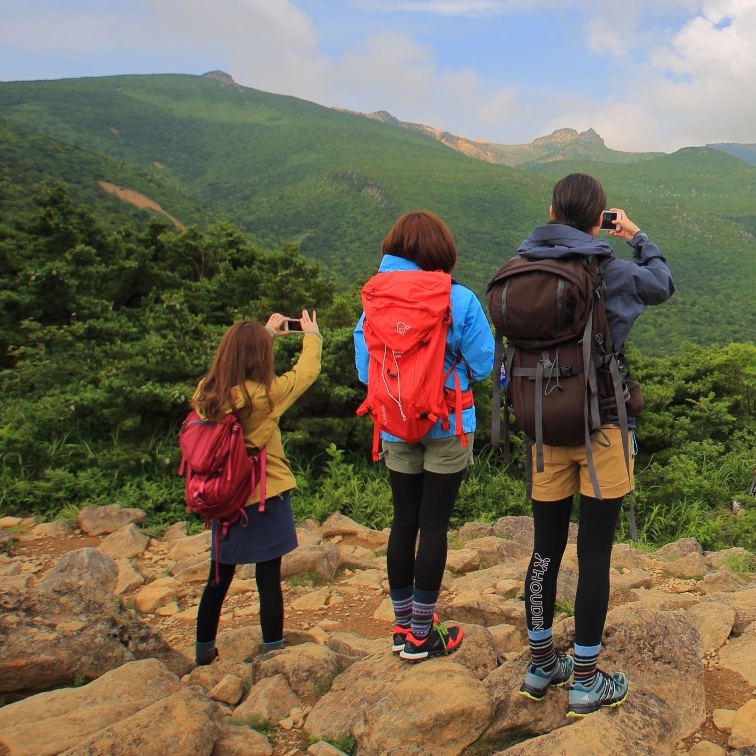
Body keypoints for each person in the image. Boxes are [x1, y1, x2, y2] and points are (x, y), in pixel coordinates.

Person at [513, 173, 673, 715]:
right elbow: (663, 284)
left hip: (541, 426)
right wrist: (636, 233)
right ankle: (585, 679)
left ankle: (540, 666)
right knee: (594, 554)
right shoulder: (612, 269)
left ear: (551, 211)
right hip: (601, 425)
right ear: (599, 218)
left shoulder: (524, 269)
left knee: (544, 550)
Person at [355, 210, 495, 661]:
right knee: (434, 524)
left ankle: (402, 628)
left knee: (403, 520)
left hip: (394, 422)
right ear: (440, 251)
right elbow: (482, 365)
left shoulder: (374, 300)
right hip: (448, 424)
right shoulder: (460, 299)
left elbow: (365, 369)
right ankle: (422, 634)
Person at [191, 310, 321, 667]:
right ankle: (273, 652)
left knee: (217, 579)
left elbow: (234, 362)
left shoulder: (208, 393)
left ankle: (204, 653)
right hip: (265, 492)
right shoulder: (264, 396)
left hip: (223, 497)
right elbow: (305, 373)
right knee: (268, 580)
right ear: (259, 359)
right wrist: (313, 336)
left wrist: (264, 332)